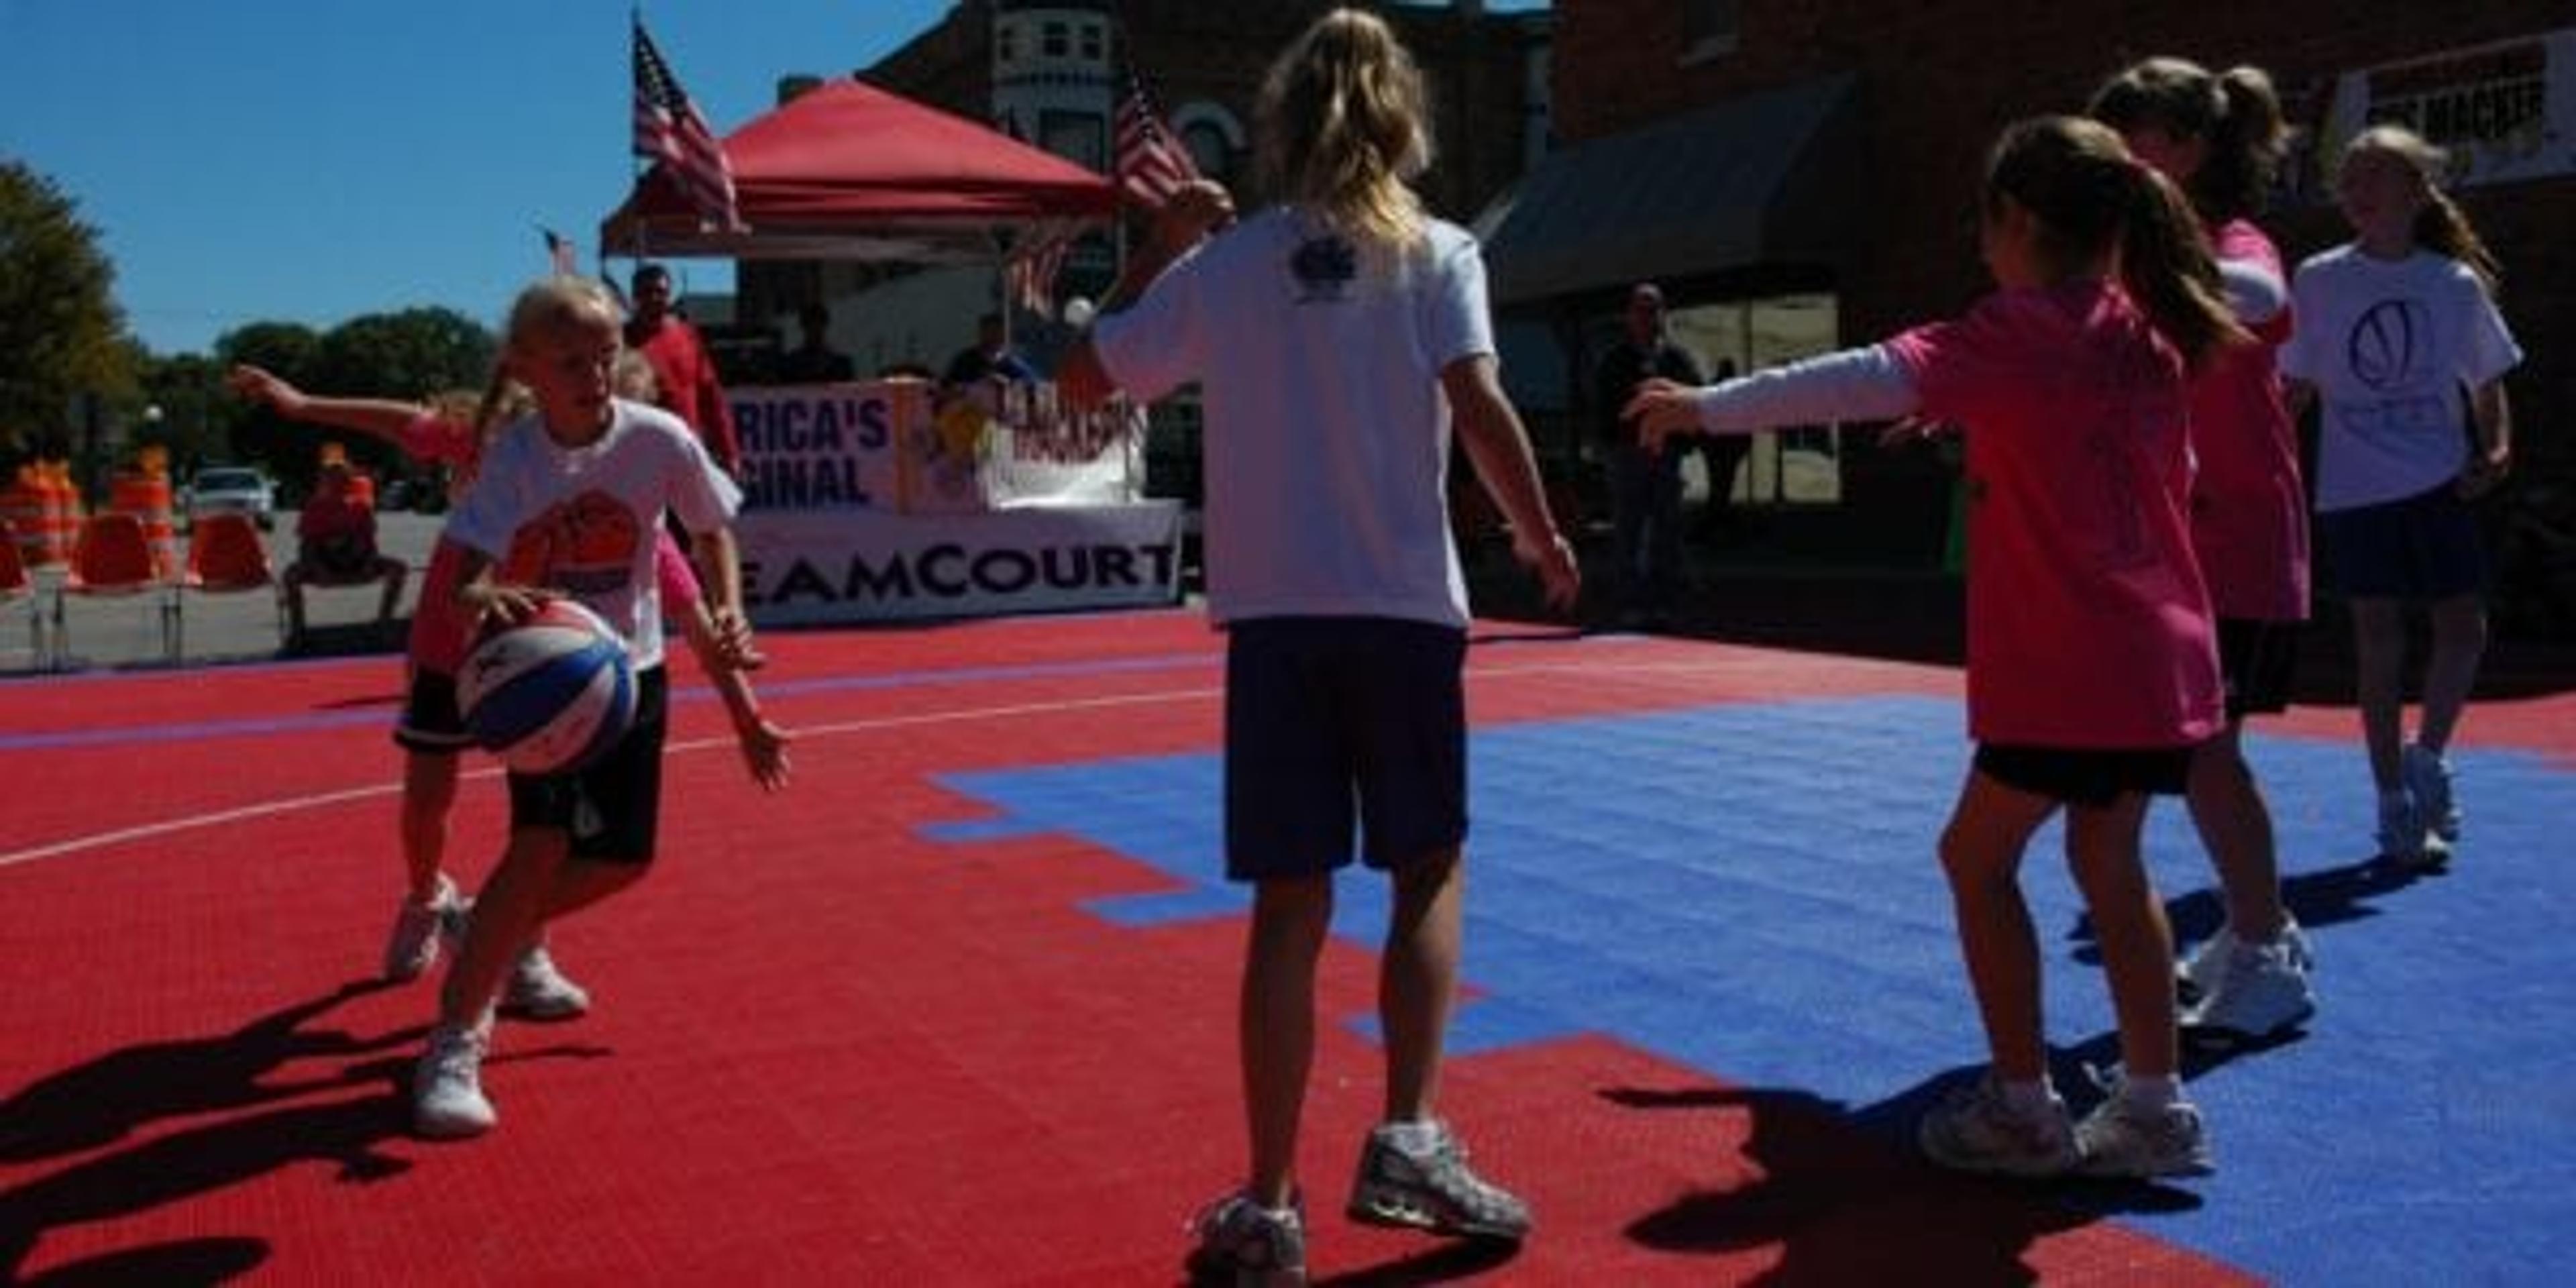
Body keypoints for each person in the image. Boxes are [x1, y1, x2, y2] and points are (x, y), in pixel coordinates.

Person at [1059, 9, 1579, 1280]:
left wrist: (1153, 254)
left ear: (1283, 121)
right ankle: (1406, 1130)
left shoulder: (1229, 267)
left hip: (1275, 620)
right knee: (1426, 870)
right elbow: (1478, 397)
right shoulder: (1440, 251)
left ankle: (1270, 1202)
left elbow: (1086, 380)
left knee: (1290, 907)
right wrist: (1542, 533)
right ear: (1403, 120)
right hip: (1400, 608)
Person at [1630, 115, 2244, 1179]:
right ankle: (2154, 1105)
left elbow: (1853, 375)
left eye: (1983, 224)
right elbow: (2147, 471)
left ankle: (2022, 1107)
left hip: (2066, 669)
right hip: (2161, 663)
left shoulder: (2009, 334)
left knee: (1976, 858)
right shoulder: (2147, 335)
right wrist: (1979, 417)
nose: (1978, 248)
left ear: (2015, 221)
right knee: (2110, 859)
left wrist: (1704, 409)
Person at [226, 364, 788, 1006]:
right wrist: (303, 405)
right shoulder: (506, 445)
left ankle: (520, 949)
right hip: (454, 643)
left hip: (546, 668)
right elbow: (400, 419)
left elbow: (694, 620)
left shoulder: (634, 518)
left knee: (544, 833)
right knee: (428, 800)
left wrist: (746, 715)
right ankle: (426, 894)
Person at [408, 275, 749, 1138]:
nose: (594, 373)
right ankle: (455, 1037)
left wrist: (730, 604)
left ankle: (489, 932)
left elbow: (711, 525)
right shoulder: (517, 456)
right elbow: (468, 573)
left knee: (626, 861)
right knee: (538, 847)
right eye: (570, 360)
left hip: (630, 672)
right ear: (525, 367)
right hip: (545, 677)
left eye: (605, 356)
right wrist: (491, 595)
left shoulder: (658, 437)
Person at [2088, 58, 2315, 1039]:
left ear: (2182, 148)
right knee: (2204, 756)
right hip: (2186, 543)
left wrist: (2141, 258)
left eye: (2128, 147)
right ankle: (2259, 928)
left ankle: (2266, 953)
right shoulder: (2134, 272)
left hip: (2243, 539)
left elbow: (2261, 292)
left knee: (2211, 756)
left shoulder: (2230, 244)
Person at [2277, 124, 2521, 869]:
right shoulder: (2319, 278)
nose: (2355, 192)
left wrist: (2499, 444)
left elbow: (2487, 380)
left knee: (2463, 626)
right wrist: (2259, 453)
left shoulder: (2450, 283)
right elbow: (2297, 385)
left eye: (2373, 176)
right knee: (2378, 644)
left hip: (2437, 482)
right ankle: (2392, 803)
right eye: (2347, 179)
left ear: (2417, 192)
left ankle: (2429, 759)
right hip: (2356, 490)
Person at [1593, 282, 1703, 625]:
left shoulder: (1676, 358)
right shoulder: (1614, 360)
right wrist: (1615, 443)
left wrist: (1684, 442)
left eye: (1655, 309)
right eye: (1641, 310)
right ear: (1629, 316)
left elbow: (1698, 396)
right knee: (1629, 528)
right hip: (1627, 456)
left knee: (1668, 529)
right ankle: (1631, 603)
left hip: (1667, 455)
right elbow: (1603, 408)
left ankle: (1665, 604)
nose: (1649, 317)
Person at [625, 262, 744, 478]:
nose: (653, 298)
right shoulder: (621, 342)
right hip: (640, 459)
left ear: (669, 295)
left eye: (660, 292)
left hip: (687, 452)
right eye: (646, 292)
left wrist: (730, 453)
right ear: (634, 297)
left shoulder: (687, 336)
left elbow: (711, 398)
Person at [281, 457, 407, 642]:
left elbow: (369, 541)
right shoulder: (314, 508)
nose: (337, 484)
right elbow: (307, 546)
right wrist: (317, 569)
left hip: (357, 560)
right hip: (324, 563)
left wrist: (370, 563)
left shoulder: (362, 507)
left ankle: (384, 622)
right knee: (290, 575)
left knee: (398, 568)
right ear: (323, 483)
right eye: (331, 479)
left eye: (342, 480)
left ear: (349, 482)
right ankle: (298, 630)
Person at [941, 312, 1036, 388]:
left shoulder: (1014, 365)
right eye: (989, 331)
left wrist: (1007, 384)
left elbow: (1031, 386)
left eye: (997, 332)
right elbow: (948, 386)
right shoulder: (964, 361)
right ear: (981, 333)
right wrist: (977, 385)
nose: (993, 336)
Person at [775, 301, 855, 384]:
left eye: (818, 323)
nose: (815, 329)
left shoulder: (841, 365)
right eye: (811, 324)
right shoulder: (790, 365)